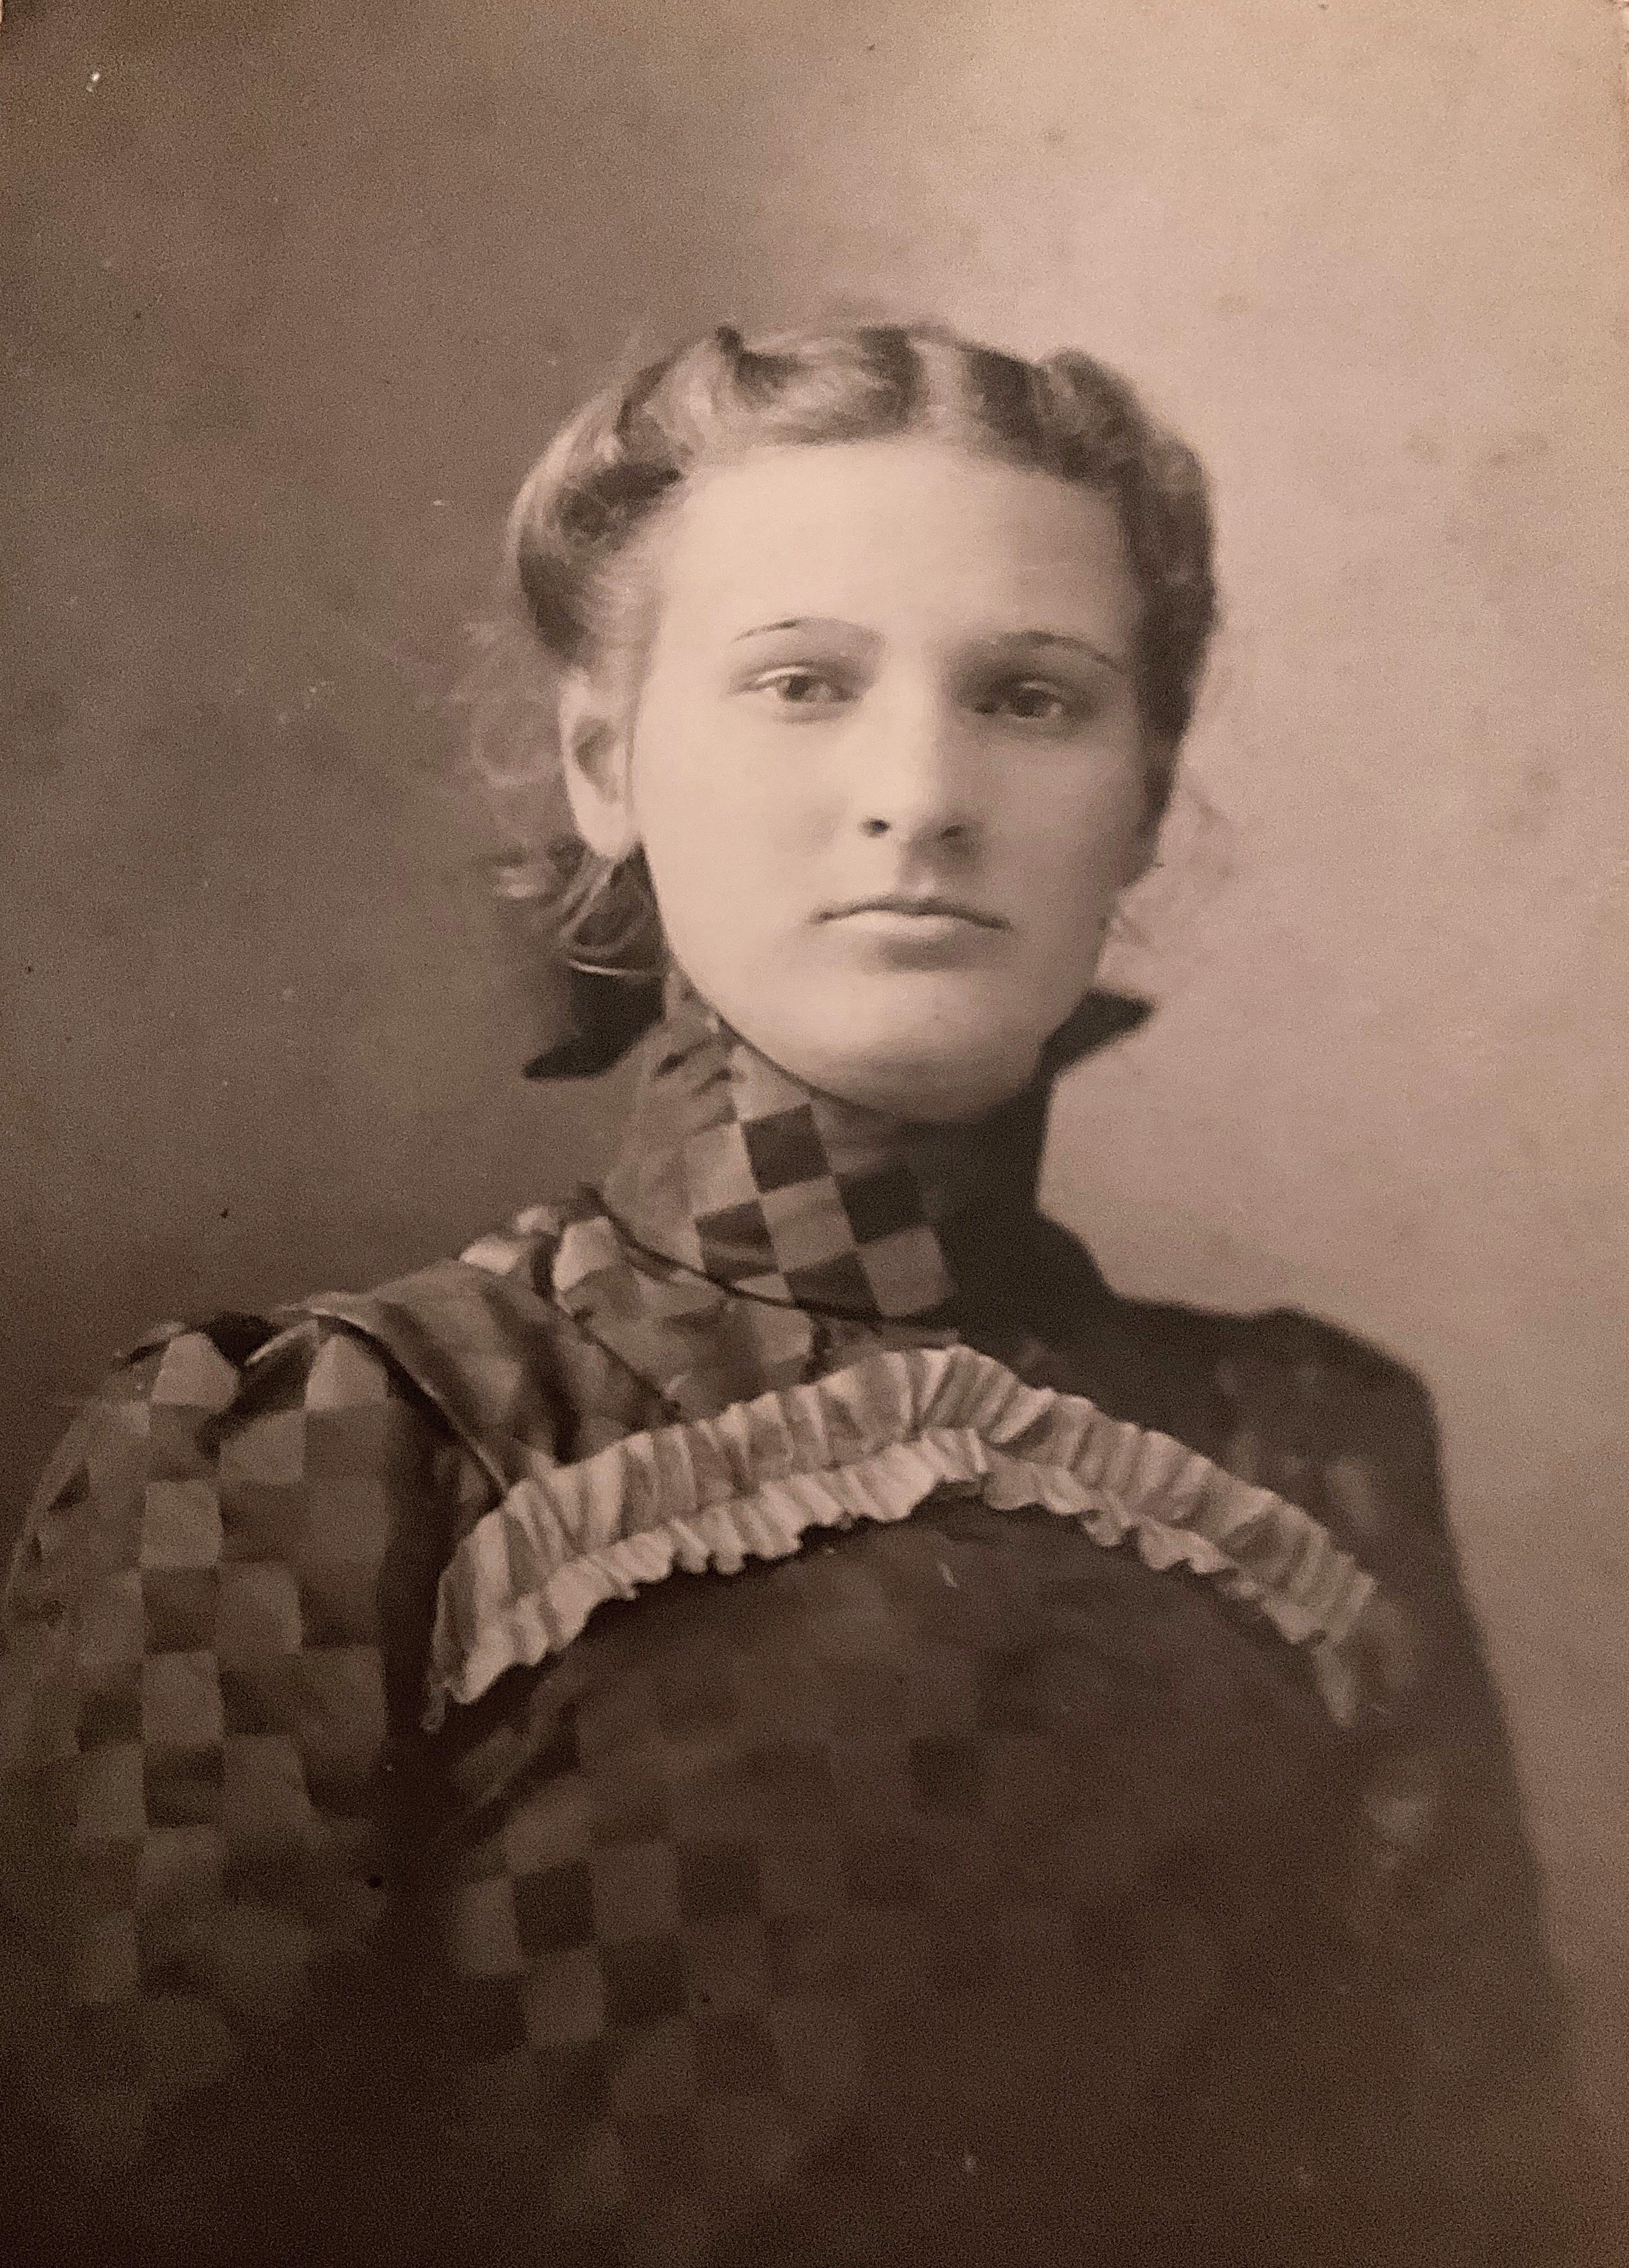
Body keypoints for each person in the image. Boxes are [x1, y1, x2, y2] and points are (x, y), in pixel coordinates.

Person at [0, 323, 1605, 2266]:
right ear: (605, 764)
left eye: (1032, 698)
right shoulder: (328, 1454)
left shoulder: (1315, 1460)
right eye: (800, 684)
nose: (919, 794)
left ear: (1147, 797)